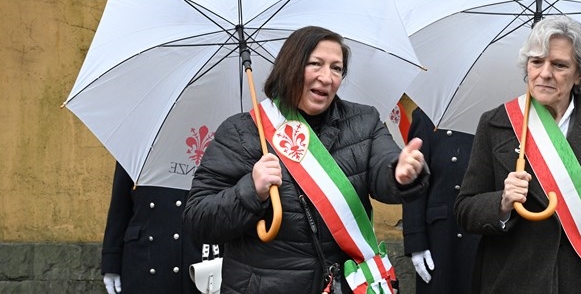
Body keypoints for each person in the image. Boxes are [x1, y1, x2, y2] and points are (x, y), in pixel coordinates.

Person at [184, 25, 429, 294]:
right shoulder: (242, 131)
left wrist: (400, 174)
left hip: (346, 284)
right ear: (291, 66)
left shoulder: (365, 120)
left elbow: (384, 166)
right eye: (316, 64)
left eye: (337, 68)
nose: (327, 77)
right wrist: (251, 191)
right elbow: (199, 219)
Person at [454, 15, 581, 294]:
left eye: (559, 65)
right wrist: (501, 202)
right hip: (513, 282)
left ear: (579, 75)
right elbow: (465, 210)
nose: (545, 73)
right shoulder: (496, 123)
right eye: (537, 61)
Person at [401, 107, 479, 294]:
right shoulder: (428, 116)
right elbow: (415, 182)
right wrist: (416, 242)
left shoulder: (501, 116)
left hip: (481, 230)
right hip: (440, 236)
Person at [101, 162, 202, 294]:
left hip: (191, 254)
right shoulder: (139, 145)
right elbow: (119, 206)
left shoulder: (212, 145)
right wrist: (111, 260)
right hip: (143, 257)